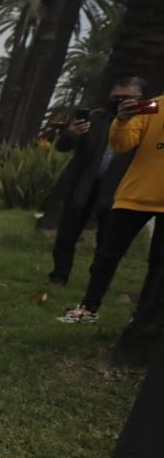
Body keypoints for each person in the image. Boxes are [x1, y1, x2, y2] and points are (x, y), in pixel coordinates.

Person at [59, 92, 164, 326]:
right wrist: (123, 120)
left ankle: (143, 319)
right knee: (107, 255)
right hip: (136, 196)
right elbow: (121, 144)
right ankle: (88, 308)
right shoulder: (153, 107)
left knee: (160, 263)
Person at [46, 79, 144, 287]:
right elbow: (62, 147)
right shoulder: (95, 119)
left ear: (139, 100)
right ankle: (59, 275)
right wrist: (70, 134)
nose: (120, 102)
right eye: (116, 97)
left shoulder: (144, 124)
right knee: (67, 234)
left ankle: (96, 281)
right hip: (83, 185)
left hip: (118, 190)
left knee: (107, 240)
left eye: (127, 98)